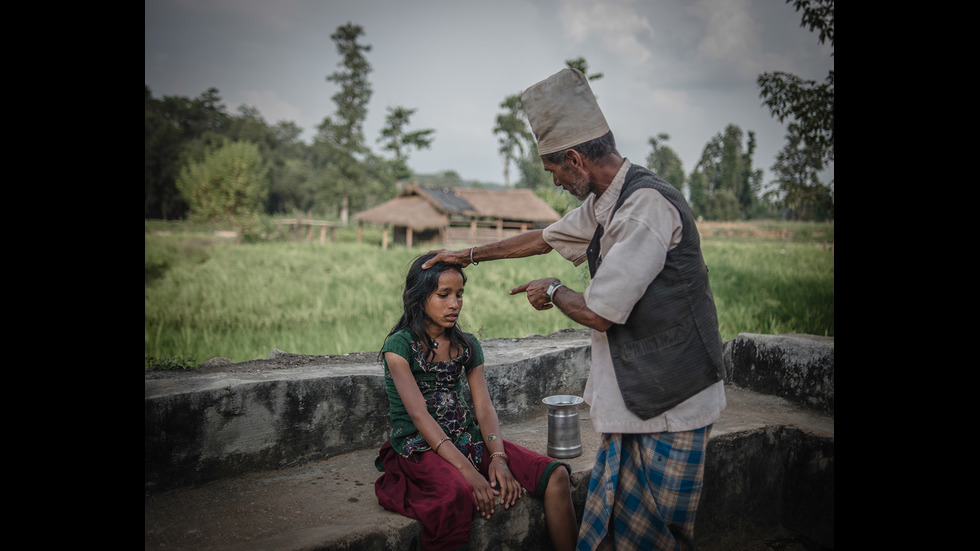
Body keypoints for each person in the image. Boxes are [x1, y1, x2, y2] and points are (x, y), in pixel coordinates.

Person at [423, 68, 727, 551]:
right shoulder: (607, 200)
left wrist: (554, 290)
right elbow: (545, 238)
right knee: (620, 529)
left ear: (575, 159)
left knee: (661, 536)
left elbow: (600, 312)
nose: (558, 182)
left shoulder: (643, 207)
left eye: (555, 172)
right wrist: (471, 254)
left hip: (674, 403)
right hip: (637, 397)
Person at [373, 252, 578, 551]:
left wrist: (498, 458)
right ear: (419, 298)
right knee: (456, 495)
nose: (454, 304)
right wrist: (468, 471)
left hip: (469, 440)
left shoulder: (467, 345)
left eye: (459, 295)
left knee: (556, 475)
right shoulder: (399, 346)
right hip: (420, 445)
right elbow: (419, 415)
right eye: (443, 295)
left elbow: (483, 408)